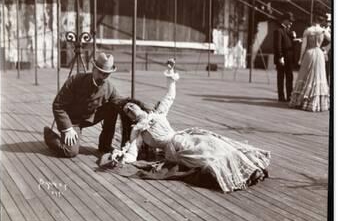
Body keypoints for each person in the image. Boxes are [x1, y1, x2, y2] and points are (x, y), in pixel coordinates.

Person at [107, 60, 270, 193]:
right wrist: (121, 158)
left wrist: (170, 74)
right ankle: (236, 175)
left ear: (139, 106)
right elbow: (132, 154)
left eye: (131, 106)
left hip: (183, 137)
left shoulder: (157, 114)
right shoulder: (138, 132)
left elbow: (170, 96)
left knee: (215, 144)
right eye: (127, 111)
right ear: (129, 118)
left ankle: (250, 168)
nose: (130, 109)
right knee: (207, 158)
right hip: (175, 150)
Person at [43, 52, 149, 158]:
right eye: (100, 72)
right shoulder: (75, 80)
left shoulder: (109, 87)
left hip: (90, 118)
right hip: (72, 120)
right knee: (70, 152)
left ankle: (105, 145)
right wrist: (68, 128)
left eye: (107, 74)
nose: (103, 77)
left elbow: (120, 102)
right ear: (93, 69)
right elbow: (58, 105)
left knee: (114, 106)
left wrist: (138, 112)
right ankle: (49, 135)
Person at [288, 25, 330, 112]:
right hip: (319, 53)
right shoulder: (323, 30)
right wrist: (326, 49)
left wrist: (300, 58)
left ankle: (301, 100)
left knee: (305, 75)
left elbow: (303, 46)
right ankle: (316, 102)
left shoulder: (308, 30)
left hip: (309, 53)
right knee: (318, 76)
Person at [273, 12, 296, 101]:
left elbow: (290, 44)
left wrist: (294, 38)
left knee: (289, 77)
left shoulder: (289, 31)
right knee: (281, 77)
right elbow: (277, 45)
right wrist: (280, 57)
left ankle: (289, 95)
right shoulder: (278, 31)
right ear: (285, 20)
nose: (291, 23)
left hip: (289, 58)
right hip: (282, 58)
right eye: (290, 21)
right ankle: (281, 96)